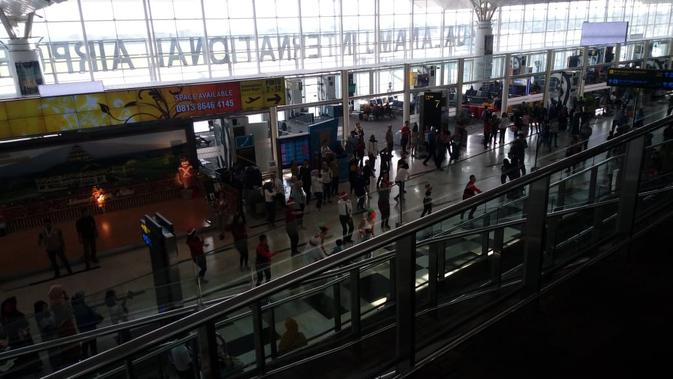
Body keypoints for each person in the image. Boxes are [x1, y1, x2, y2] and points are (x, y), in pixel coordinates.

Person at [1, 297, 41, 375]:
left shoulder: (18, 315)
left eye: (9, 306)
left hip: (22, 340)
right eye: (6, 306)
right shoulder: (4, 317)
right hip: (14, 341)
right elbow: (4, 331)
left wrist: (23, 333)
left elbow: (25, 326)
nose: (7, 308)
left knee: (27, 357)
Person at [48, 285, 80, 367]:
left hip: (64, 332)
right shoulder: (63, 304)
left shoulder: (56, 306)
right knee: (73, 354)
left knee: (69, 354)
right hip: (68, 331)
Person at [71, 291, 103, 358]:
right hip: (88, 328)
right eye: (83, 296)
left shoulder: (78, 306)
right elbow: (87, 315)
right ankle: (92, 358)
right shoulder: (80, 306)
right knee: (91, 345)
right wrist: (97, 318)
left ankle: (86, 357)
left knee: (86, 344)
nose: (84, 297)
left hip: (85, 328)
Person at [34, 300, 60, 369]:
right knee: (53, 354)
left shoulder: (49, 313)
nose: (47, 308)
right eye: (45, 307)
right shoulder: (39, 316)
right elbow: (46, 326)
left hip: (54, 336)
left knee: (57, 352)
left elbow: (55, 321)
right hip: (49, 337)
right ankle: (55, 368)